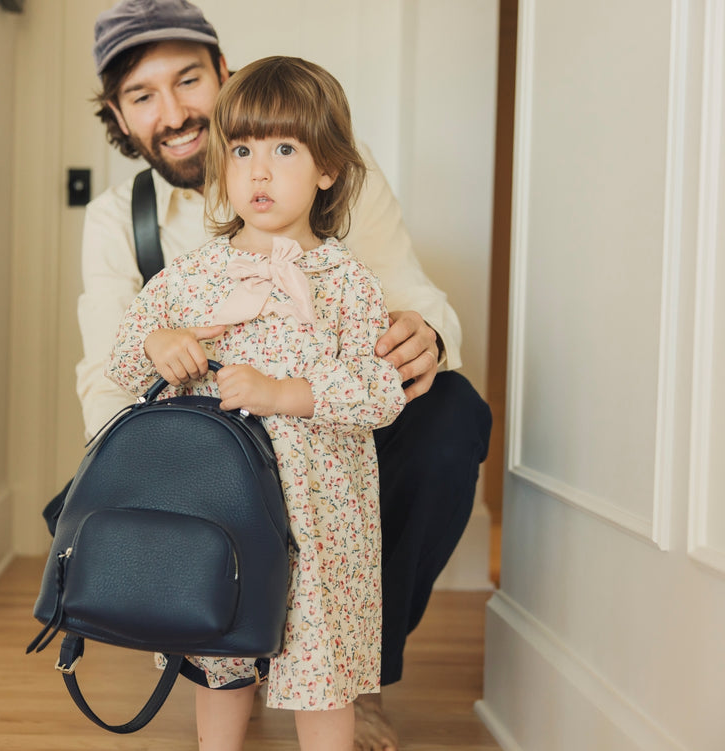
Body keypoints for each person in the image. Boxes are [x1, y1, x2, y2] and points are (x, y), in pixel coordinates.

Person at [72, 1, 493, 748]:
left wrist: (413, 339)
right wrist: (160, 371)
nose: (172, 112)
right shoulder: (140, 235)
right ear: (119, 115)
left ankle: (348, 680)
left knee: (453, 416)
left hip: (325, 476)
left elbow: (406, 320)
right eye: (143, 95)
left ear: (224, 76)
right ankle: (218, 642)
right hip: (207, 466)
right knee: (221, 636)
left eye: (189, 80)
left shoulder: (343, 266)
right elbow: (115, 362)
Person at [107, 55, 406, 751]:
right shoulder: (193, 276)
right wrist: (161, 343)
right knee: (221, 657)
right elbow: (124, 361)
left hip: (323, 521)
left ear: (327, 167)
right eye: (241, 150)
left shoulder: (344, 283)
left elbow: (380, 390)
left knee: (320, 664)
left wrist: (287, 395)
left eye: (283, 149)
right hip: (221, 510)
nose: (258, 172)